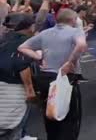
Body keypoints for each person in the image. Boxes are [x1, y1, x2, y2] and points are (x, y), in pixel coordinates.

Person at [18, 9, 88, 140]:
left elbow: (22, 47)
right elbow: (81, 45)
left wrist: (38, 57)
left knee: (50, 115)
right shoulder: (76, 31)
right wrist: (70, 62)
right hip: (65, 78)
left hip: (46, 78)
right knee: (68, 117)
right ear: (73, 20)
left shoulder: (45, 33)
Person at [0, 13, 37, 140]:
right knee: (14, 129)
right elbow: (21, 64)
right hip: (15, 90)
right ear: (30, 27)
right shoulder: (25, 42)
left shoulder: (3, 39)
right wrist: (30, 90)